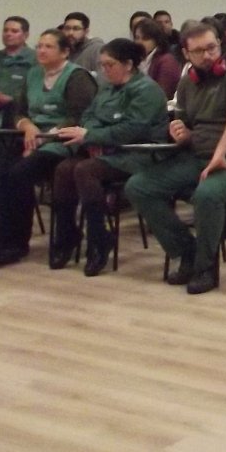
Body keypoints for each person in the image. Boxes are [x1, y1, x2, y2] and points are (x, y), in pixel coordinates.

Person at [123, 20, 226, 295]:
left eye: (212, 47)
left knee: (207, 194)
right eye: (199, 51)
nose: (208, 55)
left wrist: (220, 152)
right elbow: (186, 125)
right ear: (186, 54)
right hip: (199, 156)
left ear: (220, 45)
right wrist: (182, 134)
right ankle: (186, 251)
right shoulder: (187, 82)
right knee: (139, 186)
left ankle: (205, 267)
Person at [0, 28, 98, 269]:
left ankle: (18, 243)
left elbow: (80, 117)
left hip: (62, 143)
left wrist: (42, 138)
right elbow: (18, 111)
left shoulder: (77, 77)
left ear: (65, 52)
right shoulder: (33, 74)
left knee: (20, 173)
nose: (41, 50)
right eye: (39, 45)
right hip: (29, 139)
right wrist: (27, 125)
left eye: (48, 46)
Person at [50, 38, 170, 275]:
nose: (104, 70)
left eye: (110, 65)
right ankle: (67, 235)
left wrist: (92, 136)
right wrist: (93, 136)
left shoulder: (147, 90)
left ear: (128, 64)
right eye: (102, 65)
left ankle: (99, 238)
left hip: (137, 154)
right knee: (63, 169)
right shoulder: (106, 89)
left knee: (85, 170)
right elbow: (88, 116)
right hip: (106, 150)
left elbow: (132, 129)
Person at [0, 15, 36, 116]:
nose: (8, 34)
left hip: (20, 112)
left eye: (14, 31)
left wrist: (11, 99)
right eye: (5, 30)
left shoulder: (34, 59)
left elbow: (36, 92)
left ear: (25, 35)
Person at [133, 16, 182, 99]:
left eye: (145, 38)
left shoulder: (167, 61)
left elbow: (161, 95)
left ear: (156, 40)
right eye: (137, 38)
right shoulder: (136, 59)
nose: (140, 42)